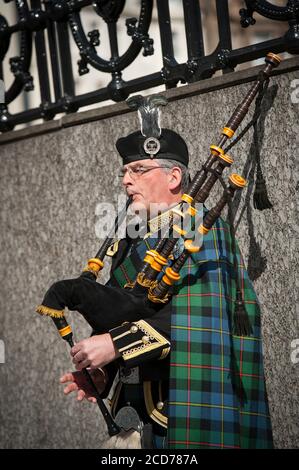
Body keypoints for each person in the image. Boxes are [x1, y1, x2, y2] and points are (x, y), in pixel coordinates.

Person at [59, 96, 273, 449]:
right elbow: (126, 312)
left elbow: (197, 316)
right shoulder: (131, 238)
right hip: (132, 410)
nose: (127, 180)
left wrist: (115, 345)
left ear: (174, 176)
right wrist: (104, 372)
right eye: (124, 172)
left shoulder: (203, 228)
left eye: (138, 170)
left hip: (180, 406)